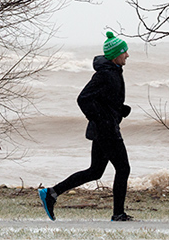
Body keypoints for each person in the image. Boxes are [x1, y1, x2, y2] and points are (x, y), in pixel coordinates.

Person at [39, 31, 134, 222]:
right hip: (106, 130)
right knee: (123, 169)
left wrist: (118, 109)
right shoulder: (105, 74)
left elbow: (102, 99)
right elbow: (83, 99)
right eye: (124, 52)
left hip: (105, 128)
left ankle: (52, 193)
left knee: (95, 171)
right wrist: (102, 119)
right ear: (116, 54)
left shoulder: (113, 72)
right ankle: (118, 214)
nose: (127, 55)